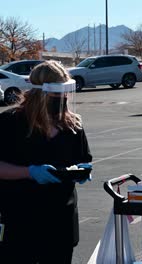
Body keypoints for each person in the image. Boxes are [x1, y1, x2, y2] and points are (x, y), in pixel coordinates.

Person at [0, 60, 93, 263]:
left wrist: (82, 170)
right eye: (58, 93)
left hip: (61, 219)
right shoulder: (10, 123)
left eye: (66, 92)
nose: (63, 98)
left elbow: (83, 158)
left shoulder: (72, 124)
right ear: (40, 93)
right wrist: (29, 172)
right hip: (21, 219)